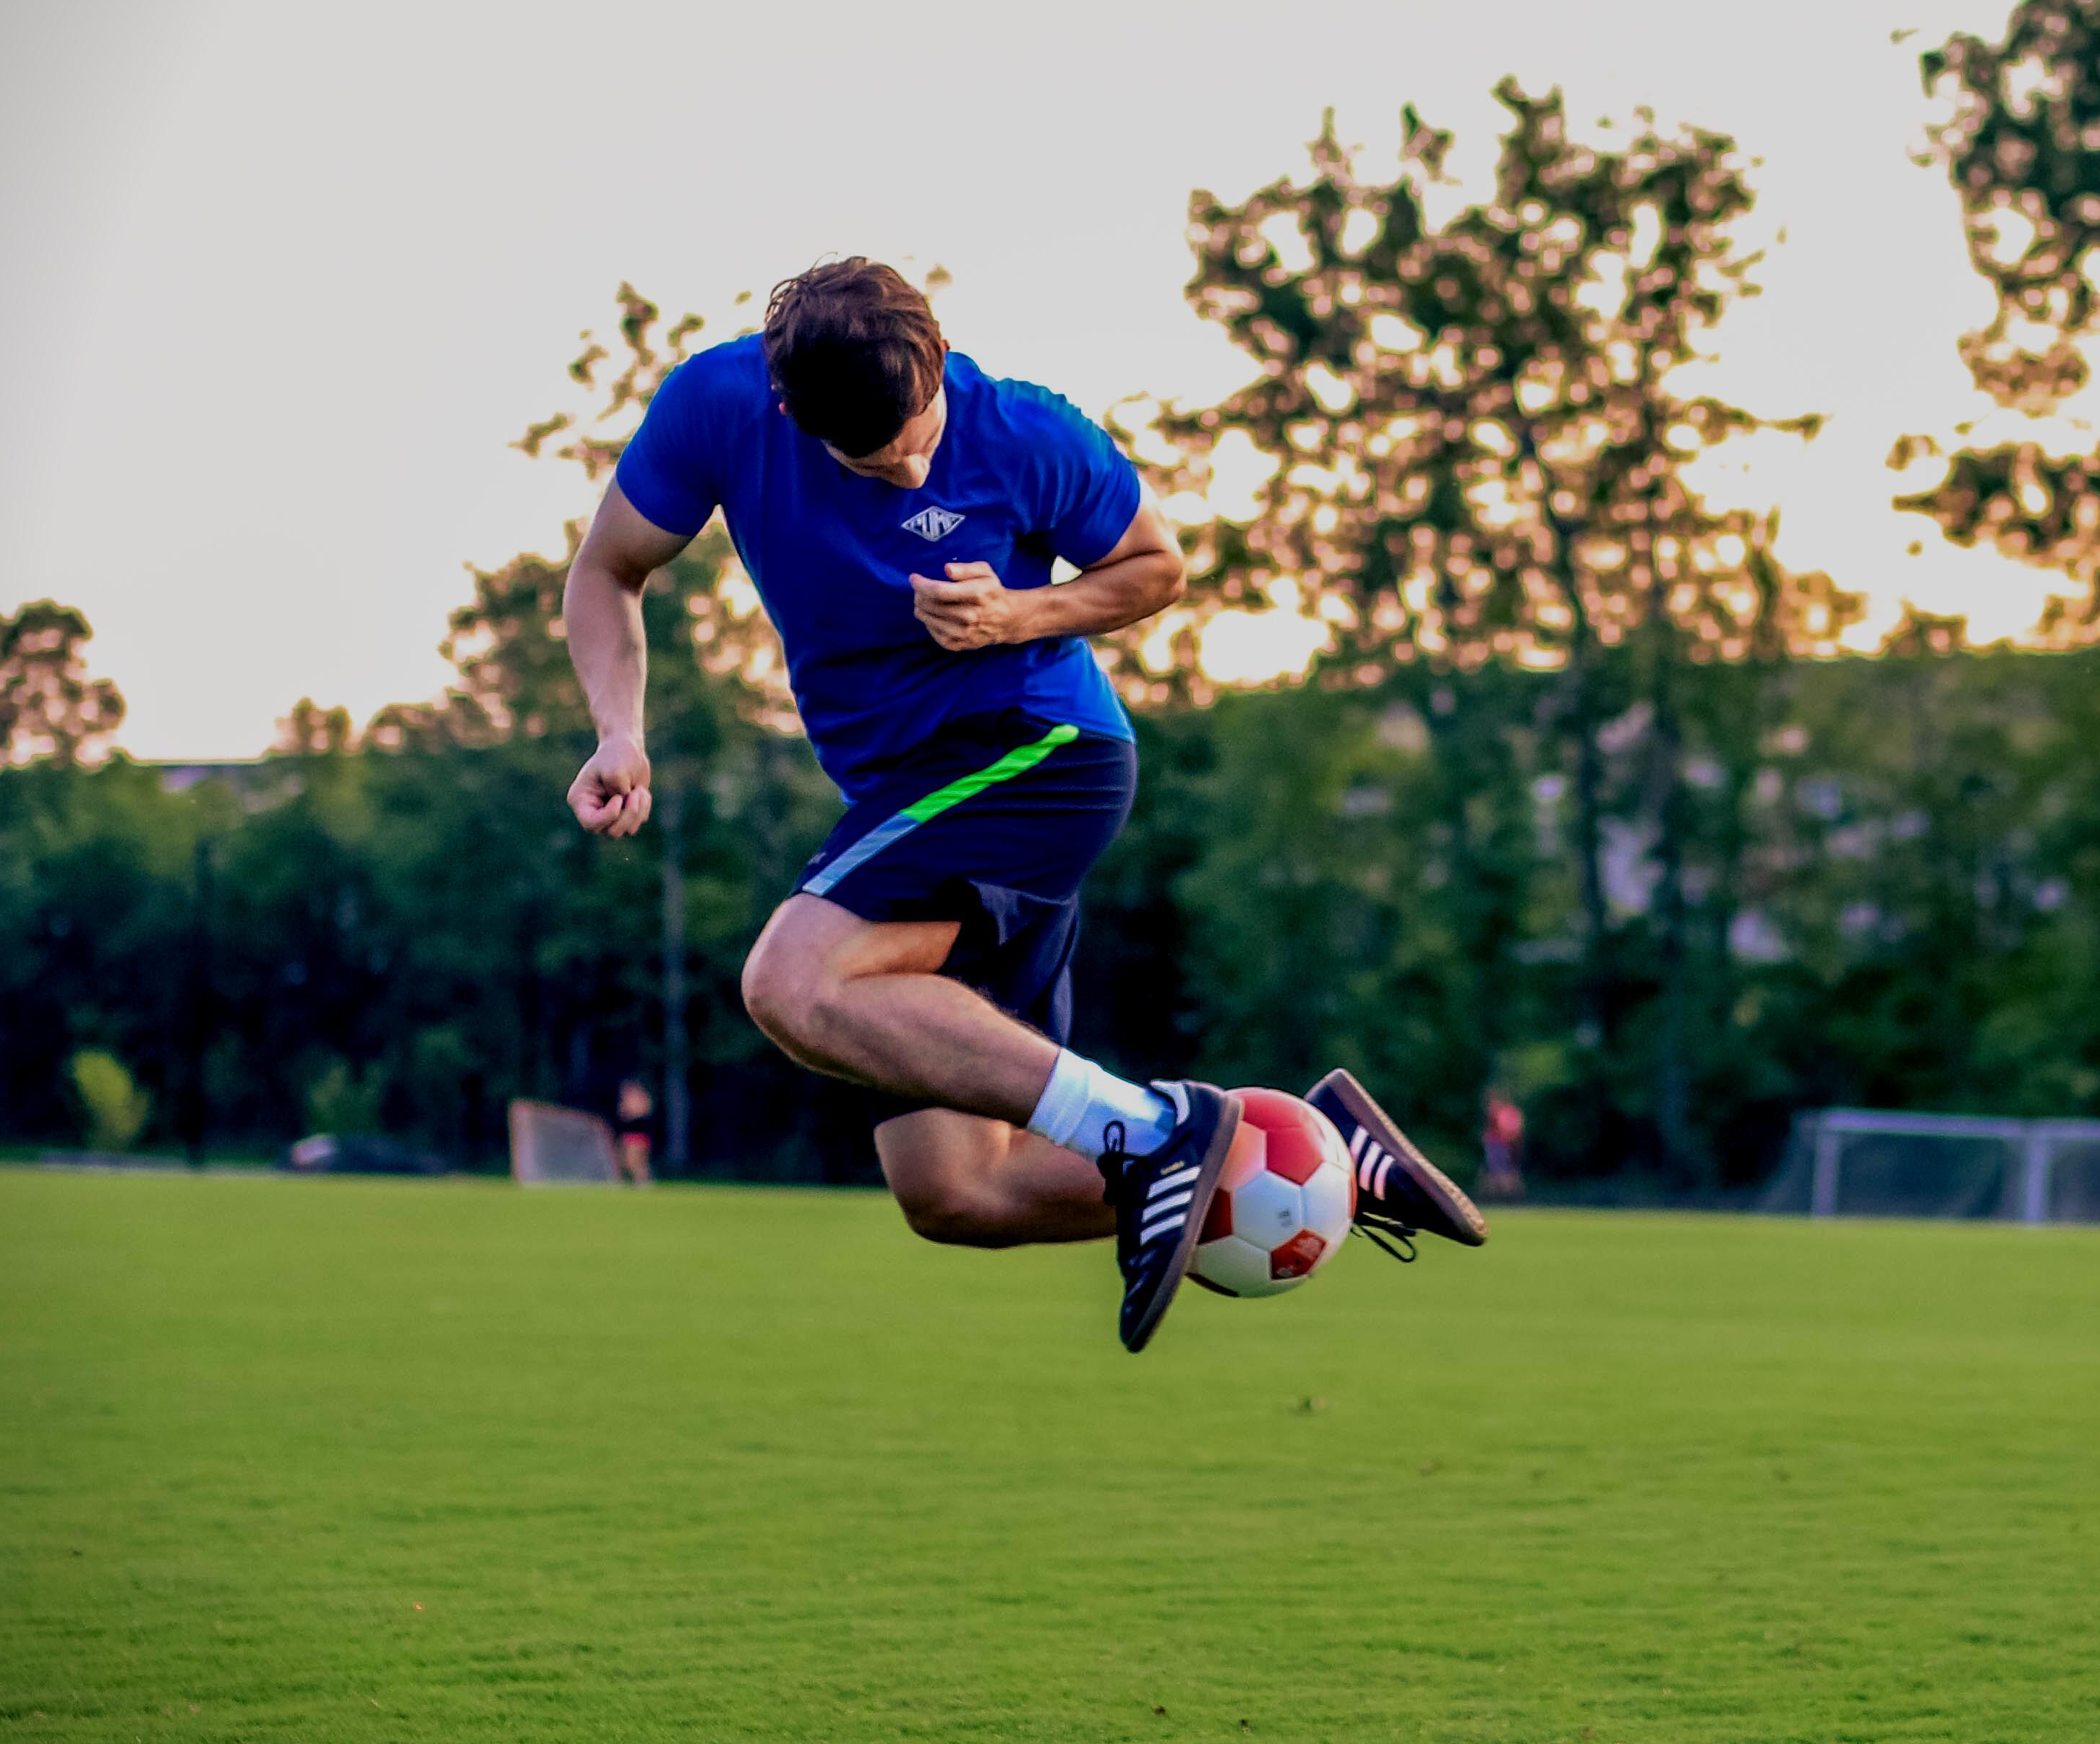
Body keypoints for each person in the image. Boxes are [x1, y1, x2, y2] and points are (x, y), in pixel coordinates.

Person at [561, 259, 1485, 1351]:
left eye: (918, 434)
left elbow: (1155, 567)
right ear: (785, 410)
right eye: (871, 459)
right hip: (911, 794)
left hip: (1038, 753)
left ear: (940, 360)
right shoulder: (715, 408)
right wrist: (621, 729)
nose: (907, 472)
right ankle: (1323, 1163)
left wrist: (1022, 613)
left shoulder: (1027, 434)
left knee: (791, 983)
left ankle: (1159, 1128)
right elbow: (606, 572)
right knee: (958, 1193)